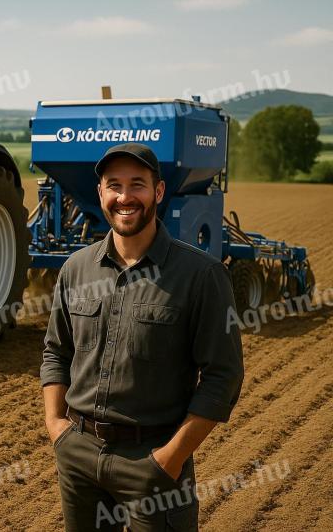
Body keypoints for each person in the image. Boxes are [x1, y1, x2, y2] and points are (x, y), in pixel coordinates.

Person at [40, 142, 244, 531]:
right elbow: (55, 351)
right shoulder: (76, 269)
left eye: (138, 184)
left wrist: (169, 458)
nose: (125, 197)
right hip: (79, 456)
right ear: (100, 193)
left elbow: (224, 375)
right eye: (113, 185)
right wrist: (56, 426)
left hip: (152, 463)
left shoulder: (200, 276)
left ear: (159, 192)